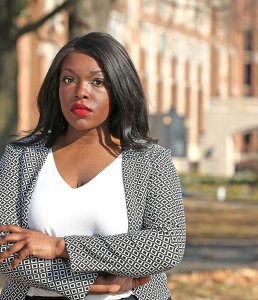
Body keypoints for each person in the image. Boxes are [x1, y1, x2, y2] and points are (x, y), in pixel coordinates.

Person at [0, 32, 186, 300]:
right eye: (68, 79)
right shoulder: (20, 156)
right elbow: (6, 251)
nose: (80, 92)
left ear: (119, 88)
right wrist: (89, 284)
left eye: (97, 81)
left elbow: (164, 247)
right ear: (57, 87)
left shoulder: (151, 161)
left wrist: (59, 246)